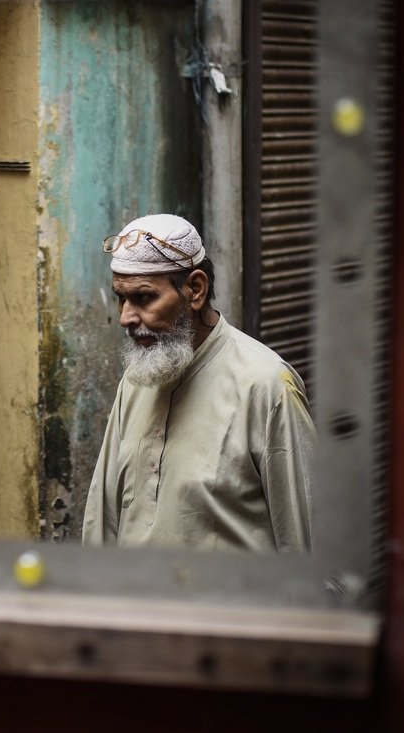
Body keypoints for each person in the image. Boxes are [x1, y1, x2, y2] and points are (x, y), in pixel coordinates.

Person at [81, 213, 315, 553]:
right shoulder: (136, 379)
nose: (125, 317)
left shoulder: (266, 386)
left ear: (195, 290)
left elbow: (306, 545)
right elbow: (102, 523)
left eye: (144, 298)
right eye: (121, 298)